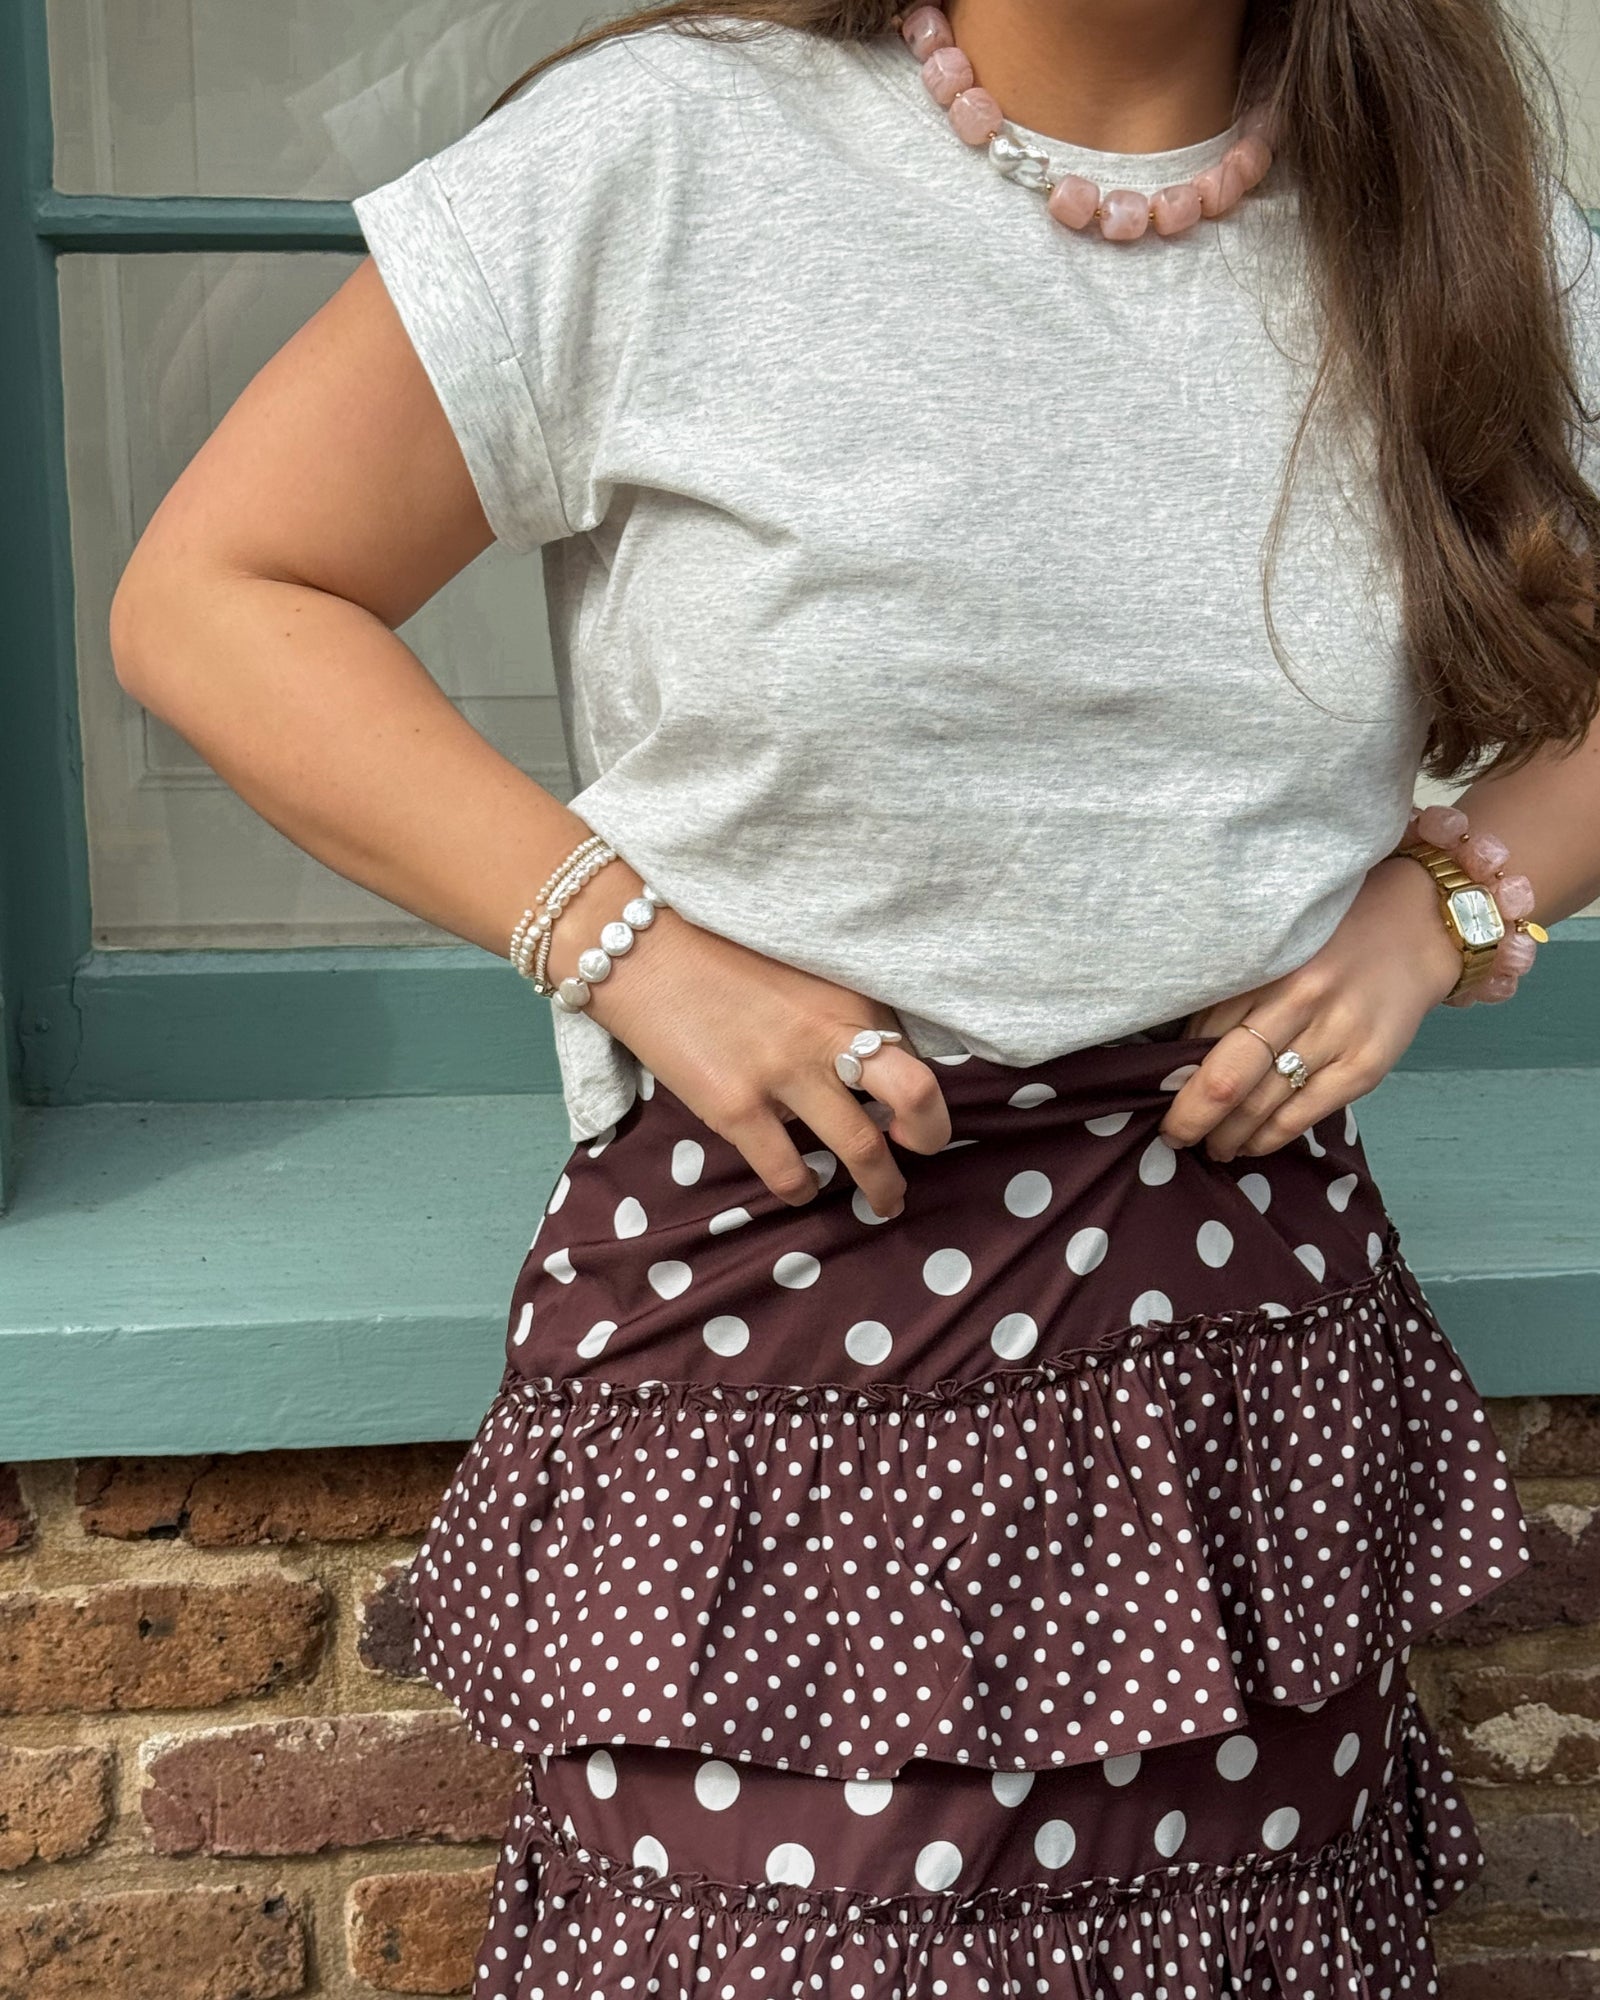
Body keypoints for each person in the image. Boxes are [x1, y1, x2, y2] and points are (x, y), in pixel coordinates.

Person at [109, 0, 1600, 1992]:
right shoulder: (661, 157)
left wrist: (1450, 898)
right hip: (764, 1346)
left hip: (1224, 1363)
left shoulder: (1448, 213)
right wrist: (625, 942)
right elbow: (218, 593)